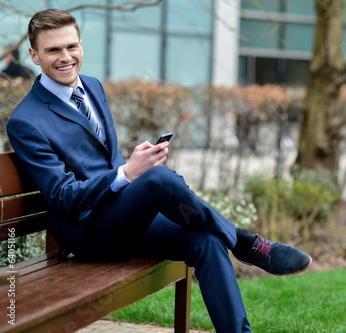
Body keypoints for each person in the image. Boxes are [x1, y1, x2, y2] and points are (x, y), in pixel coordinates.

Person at [6, 9, 312, 333]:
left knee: (206, 241)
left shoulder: (92, 87)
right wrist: (128, 173)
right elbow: (61, 196)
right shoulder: (26, 121)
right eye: (53, 50)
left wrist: (132, 165)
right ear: (34, 55)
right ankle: (245, 243)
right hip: (89, 234)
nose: (66, 57)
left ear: (81, 44)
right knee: (159, 178)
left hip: (124, 215)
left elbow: (104, 159)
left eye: (72, 46)